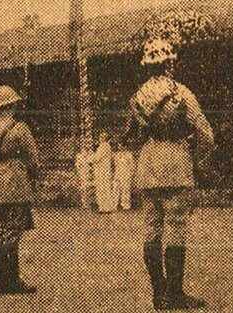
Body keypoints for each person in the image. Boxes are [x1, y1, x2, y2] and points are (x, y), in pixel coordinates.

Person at [129, 39, 214, 310]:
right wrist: (199, 160)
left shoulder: (137, 98)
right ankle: (175, 295)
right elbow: (206, 134)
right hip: (176, 162)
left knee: (151, 228)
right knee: (176, 227)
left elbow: (132, 135)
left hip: (148, 162)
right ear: (169, 63)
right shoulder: (182, 93)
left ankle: (159, 295)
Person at [0, 85, 38, 295]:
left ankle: (1, 283)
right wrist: (33, 177)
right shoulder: (21, 129)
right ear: (12, 106)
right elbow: (33, 159)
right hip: (16, 183)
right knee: (13, 232)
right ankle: (12, 281)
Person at [89, 132, 114, 213]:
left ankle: (104, 208)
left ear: (104, 138)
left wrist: (89, 159)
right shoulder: (107, 146)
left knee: (102, 188)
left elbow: (97, 158)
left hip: (102, 171)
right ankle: (105, 207)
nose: (100, 138)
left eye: (102, 137)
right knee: (105, 188)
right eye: (100, 136)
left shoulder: (103, 146)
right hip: (104, 170)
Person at [110, 134, 135, 211]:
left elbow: (132, 166)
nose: (119, 147)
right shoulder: (116, 155)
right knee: (115, 189)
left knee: (125, 190)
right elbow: (112, 163)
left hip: (126, 175)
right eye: (118, 145)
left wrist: (131, 174)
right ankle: (114, 205)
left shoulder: (129, 155)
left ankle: (126, 206)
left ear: (125, 146)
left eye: (121, 146)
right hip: (118, 174)